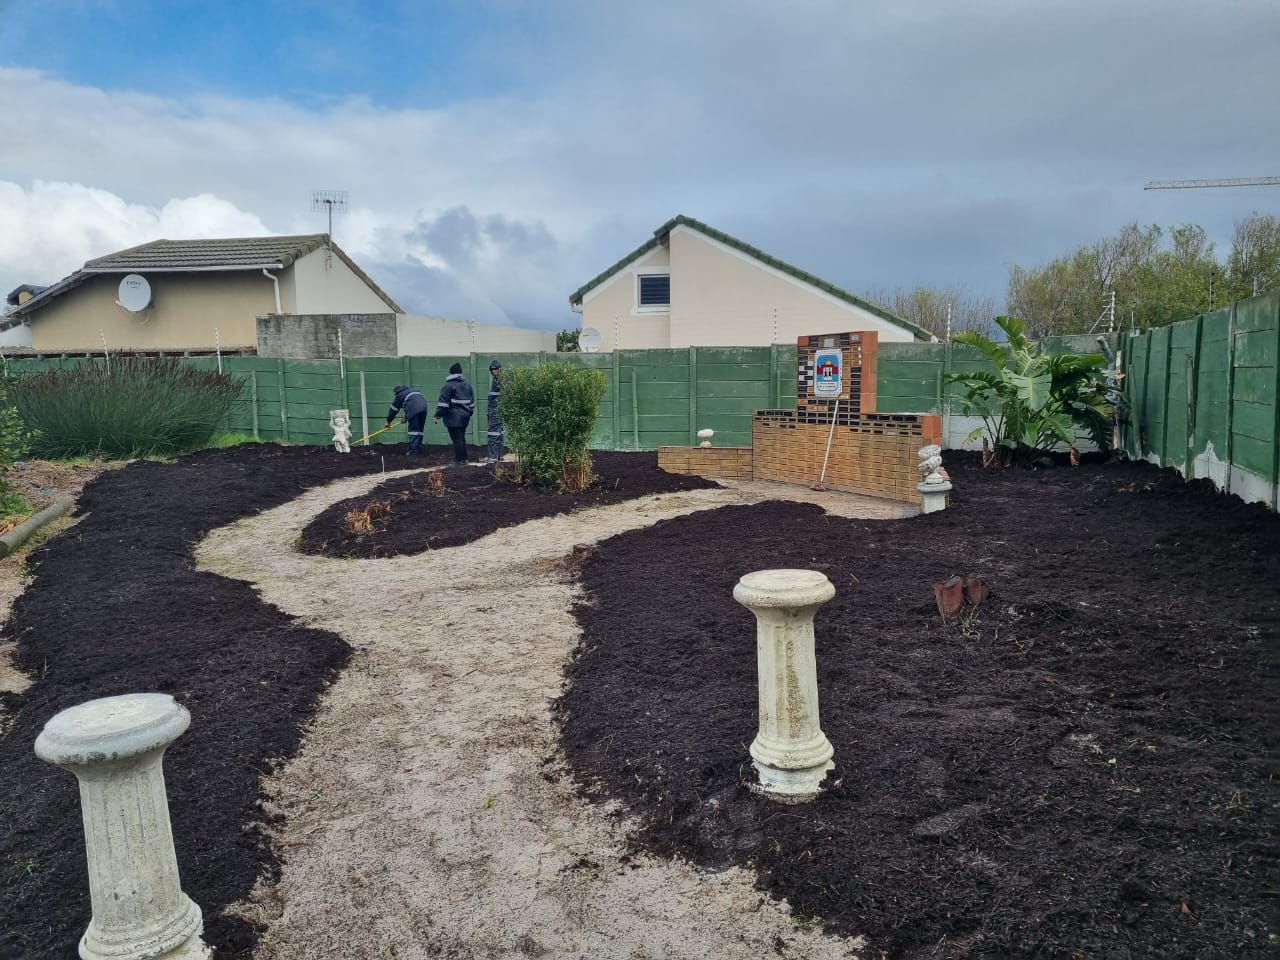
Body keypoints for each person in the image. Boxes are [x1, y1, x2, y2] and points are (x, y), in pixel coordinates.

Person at [434, 362, 475, 465]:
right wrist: (469, 412)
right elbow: (472, 402)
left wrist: (437, 416)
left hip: (453, 417)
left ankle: (459, 460)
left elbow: (443, 404)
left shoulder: (448, 385)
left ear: (451, 373)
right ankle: (464, 459)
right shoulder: (467, 384)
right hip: (465, 416)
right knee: (461, 437)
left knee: (457, 439)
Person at [386, 385, 428, 455]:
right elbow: (412, 403)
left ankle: (413, 451)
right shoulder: (412, 391)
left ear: (396, 392)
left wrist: (388, 421)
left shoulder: (399, 394)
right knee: (419, 429)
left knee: (413, 431)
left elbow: (393, 409)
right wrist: (406, 417)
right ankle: (418, 448)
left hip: (414, 409)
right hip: (424, 408)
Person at [485, 359, 504, 464]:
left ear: (499, 369)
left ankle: (492, 457)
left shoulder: (500, 379)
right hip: (496, 410)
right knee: (499, 433)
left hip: (496, 411)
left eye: (495, 369)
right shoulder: (497, 379)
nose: (494, 371)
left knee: (493, 433)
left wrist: (492, 411)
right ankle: (499, 456)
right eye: (492, 369)